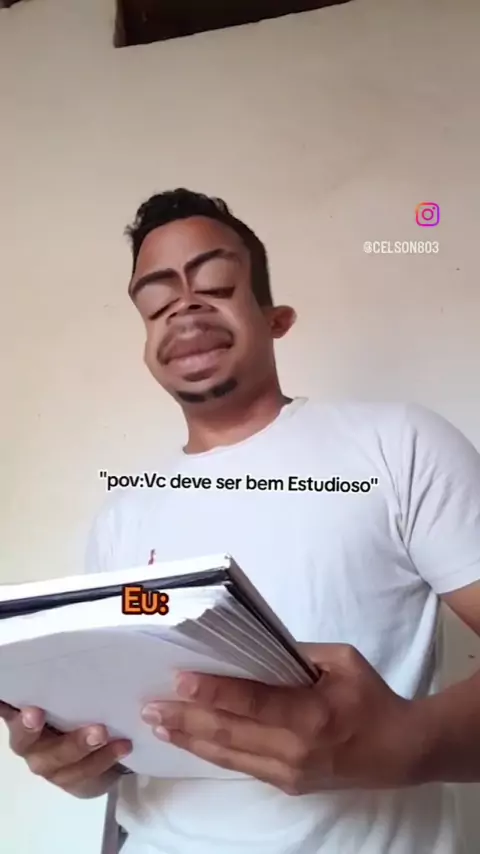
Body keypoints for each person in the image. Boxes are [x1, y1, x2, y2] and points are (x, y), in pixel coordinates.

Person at [2, 188, 480, 854]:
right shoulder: (121, 517)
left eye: (216, 285)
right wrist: (79, 763)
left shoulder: (401, 446)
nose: (184, 307)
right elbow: (123, 754)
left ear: (274, 317)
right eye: (157, 303)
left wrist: (404, 744)